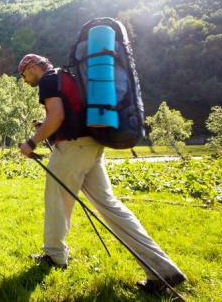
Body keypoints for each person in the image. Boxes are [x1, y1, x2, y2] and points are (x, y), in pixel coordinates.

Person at [16, 54, 186, 293]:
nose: (24, 80)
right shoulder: (69, 76)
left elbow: (57, 116)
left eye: (23, 74)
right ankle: (163, 270)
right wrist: (48, 128)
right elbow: (67, 114)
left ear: (32, 67)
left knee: (56, 202)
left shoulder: (49, 80)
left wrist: (31, 142)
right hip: (93, 145)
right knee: (110, 206)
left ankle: (54, 256)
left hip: (73, 148)